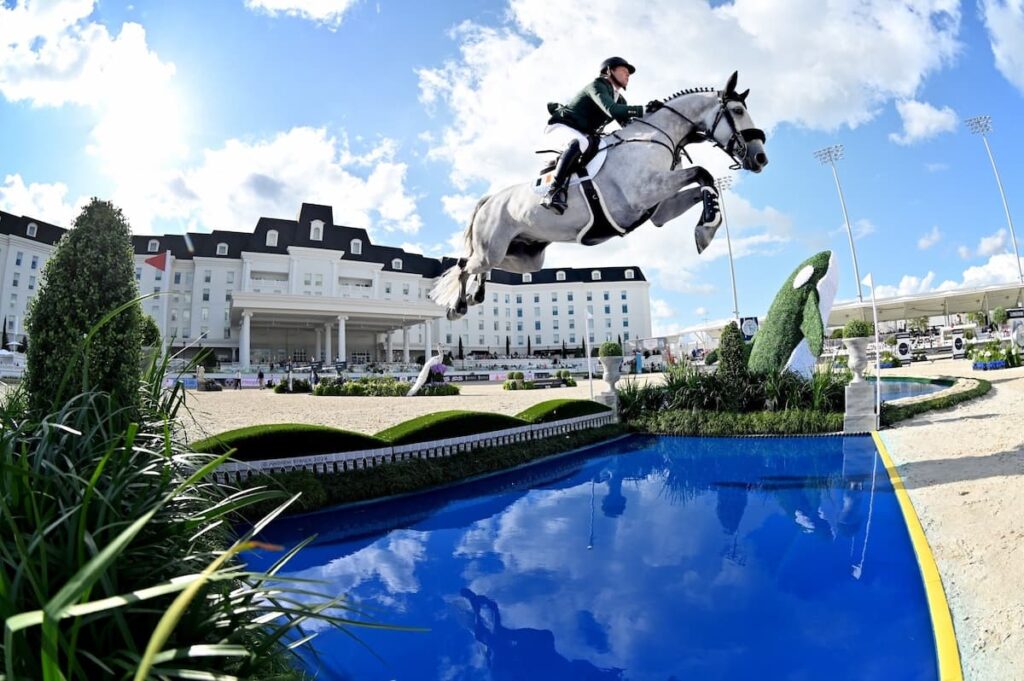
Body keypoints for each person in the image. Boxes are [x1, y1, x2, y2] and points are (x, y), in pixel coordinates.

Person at [541, 56, 664, 214]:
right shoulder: (597, 85)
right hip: (561, 127)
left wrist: (657, 119)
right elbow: (612, 110)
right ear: (609, 71)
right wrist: (644, 109)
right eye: (624, 71)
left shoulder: (620, 99)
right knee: (581, 142)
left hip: (583, 134)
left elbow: (630, 126)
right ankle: (553, 191)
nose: (628, 75)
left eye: (629, 73)